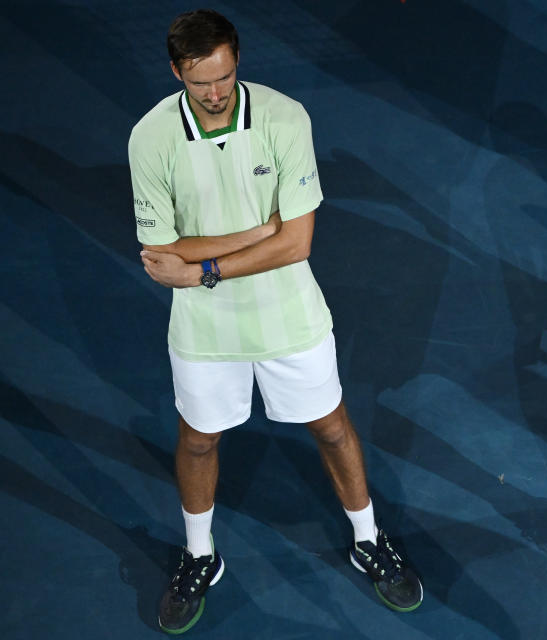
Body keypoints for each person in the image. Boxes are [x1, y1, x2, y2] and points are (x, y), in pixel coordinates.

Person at [128, 9, 423, 633]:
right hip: (205, 333)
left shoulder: (285, 118)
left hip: (289, 313)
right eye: (200, 81)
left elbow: (296, 246)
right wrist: (262, 229)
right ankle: (199, 554)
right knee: (199, 439)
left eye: (226, 77)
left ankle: (368, 538)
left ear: (238, 62)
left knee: (333, 429)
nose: (215, 93)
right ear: (176, 70)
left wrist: (205, 267)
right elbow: (161, 253)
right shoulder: (149, 138)